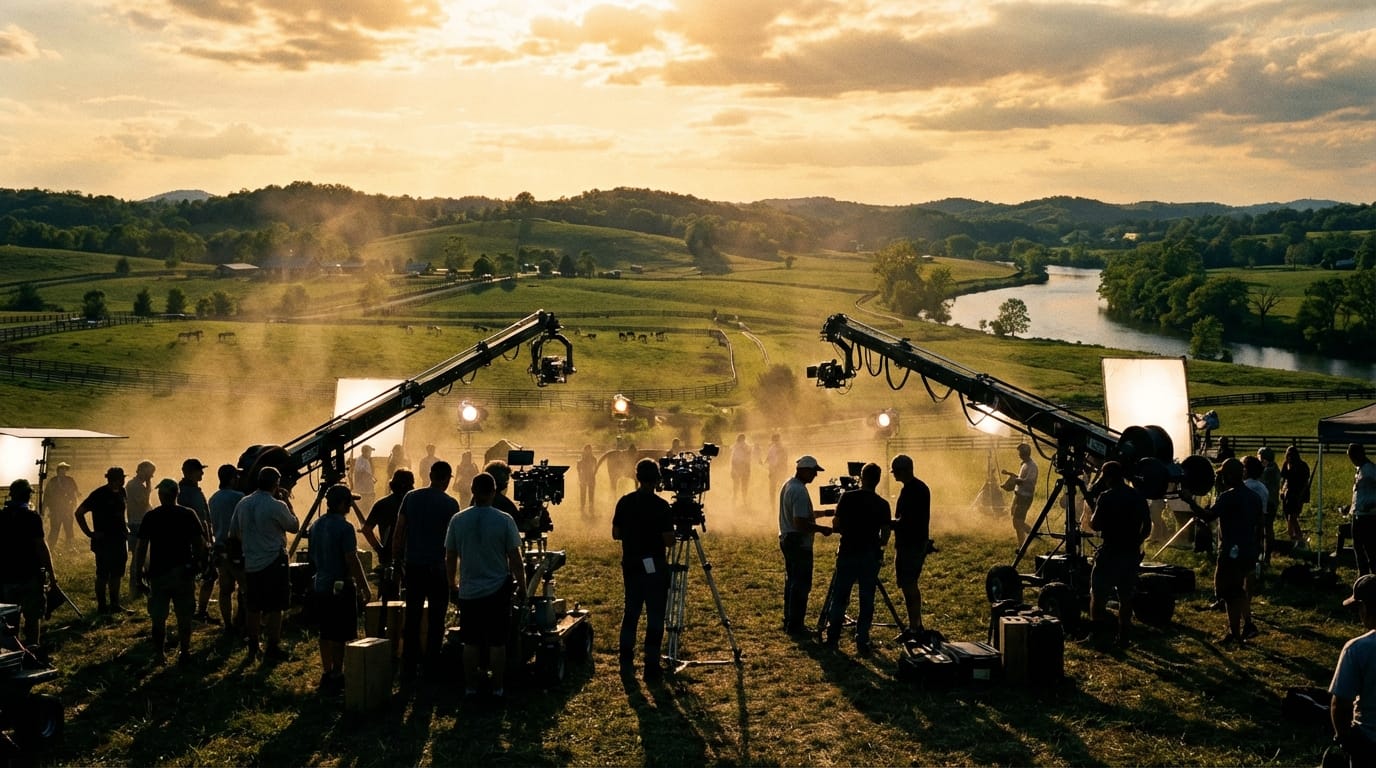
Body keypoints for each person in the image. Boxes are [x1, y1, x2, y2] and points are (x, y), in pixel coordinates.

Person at [446, 472, 525, 700]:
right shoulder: (504, 520)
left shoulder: (458, 520)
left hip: (469, 589)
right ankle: (497, 687)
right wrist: (521, 585)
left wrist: (452, 584)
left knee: (469, 641)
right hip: (498, 589)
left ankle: (471, 687)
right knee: (497, 642)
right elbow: (515, 558)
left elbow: (450, 556)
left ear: (472, 491)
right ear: (494, 492)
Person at [392, 460, 459, 679]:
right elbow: (452, 544)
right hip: (438, 566)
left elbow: (400, 530)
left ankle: (409, 662)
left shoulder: (411, 497)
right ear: (448, 479)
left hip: (414, 564)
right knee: (437, 618)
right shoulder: (450, 504)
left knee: (412, 614)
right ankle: (431, 662)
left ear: (430, 474)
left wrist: (397, 560)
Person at [1188, 458, 1262, 646]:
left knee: (1230, 593)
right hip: (1249, 549)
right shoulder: (1254, 497)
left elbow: (1208, 516)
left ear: (1229, 476)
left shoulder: (1227, 497)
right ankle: (1247, 626)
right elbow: (1259, 527)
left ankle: (1235, 635)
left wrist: (1190, 501)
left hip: (1231, 552)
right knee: (1241, 590)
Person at [612, 459, 674, 680]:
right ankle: (651, 665)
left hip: (631, 564)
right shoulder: (661, 506)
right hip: (654, 565)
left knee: (631, 614)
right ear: (657, 479)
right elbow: (669, 541)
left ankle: (626, 662)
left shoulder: (624, 502)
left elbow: (616, 534)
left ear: (637, 477)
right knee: (655, 616)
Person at [229, 466, 300, 661]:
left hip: (251, 561)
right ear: (276, 484)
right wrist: (286, 502)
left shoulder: (243, 503)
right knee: (276, 606)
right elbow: (294, 526)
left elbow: (233, 532)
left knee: (254, 606)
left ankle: (253, 645)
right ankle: (273, 647)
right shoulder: (276, 505)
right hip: (274, 560)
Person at [134, 478, 207, 665]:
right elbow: (199, 544)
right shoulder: (188, 514)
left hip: (158, 574)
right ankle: (184, 652)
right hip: (183, 572)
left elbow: (141, 547)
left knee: (158, 617)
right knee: (184, 616)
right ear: (177, 494)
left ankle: (159, 654)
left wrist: (138, 572)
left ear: (160, 495)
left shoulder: (151, 516)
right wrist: (199, 565)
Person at [309, 484, 373, 694]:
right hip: (340, 586)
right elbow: (351, 559)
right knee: (339, 633)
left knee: (325, 631)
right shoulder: (345, 528)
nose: (350, 506)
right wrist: (364, 587)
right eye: (349, 502)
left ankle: (327, 672)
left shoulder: (316, 525)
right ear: (342, 503)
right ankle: (338, 673)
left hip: (320, 584)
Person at [825, 463, 890, 656]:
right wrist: (878, 544)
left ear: (861, 477)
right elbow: (885, 534)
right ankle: (862, 639)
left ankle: (833, 636)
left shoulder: (847, 497)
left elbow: (836, 524)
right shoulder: (882, 504)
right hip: (869, 555)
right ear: (878, 480)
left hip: (847, 552)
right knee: (866, 599)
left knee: (840, 597)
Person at [1086, 461, 1152, 647]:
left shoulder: (1106, 497)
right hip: (1130, 553)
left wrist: (1092, 514)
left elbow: (1096, 525)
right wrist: (1136, 543)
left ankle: (1096, 636)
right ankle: (1123, 638)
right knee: (1125, 597)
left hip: (1110, 551)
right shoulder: (1137, 496)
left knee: (1098, 595)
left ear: (1107, 477)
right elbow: (1147, 527)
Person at [1, 479, 59, 647]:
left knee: (9, 619)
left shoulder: (1, 517)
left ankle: (12, 653)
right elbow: (41, 547)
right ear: (28, 496)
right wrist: (52, 577)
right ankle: (33, 651)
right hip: (30, 576)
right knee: (33, 618)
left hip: (6, 576)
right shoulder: (32, 517)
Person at [778, 455, 831, 635]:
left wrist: (825, 512)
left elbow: (803, 514)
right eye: (813, 472)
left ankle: (789, 620)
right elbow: (800, 522)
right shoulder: (799, 491)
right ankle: (796, 625)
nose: (815, 476)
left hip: (787, 539)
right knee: (801, 585)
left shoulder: (789, 485)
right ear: (804, 470)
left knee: (792, 582)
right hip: (799, 542)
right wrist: (821, 529)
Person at [1330, 574, 1376, 766]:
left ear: (1365, 608)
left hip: (1369, 743)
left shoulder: (1358, 649)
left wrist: (1343, 737)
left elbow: (1340, 704)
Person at [74, 466, 130, 614]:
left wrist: (125, 528)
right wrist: (89, 533)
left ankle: (115, 604)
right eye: (122, 478)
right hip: (104, 541)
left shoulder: (123, 492)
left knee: (117, 573)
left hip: (119, 539)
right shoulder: (98, 495)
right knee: (103, 574)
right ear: (116, 480)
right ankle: (102, 606)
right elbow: (79, 513)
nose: (124, 480)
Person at [889, 454, 931, 635]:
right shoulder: (917, 488)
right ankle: (915, 624)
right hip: (914, 541)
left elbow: (905, 521)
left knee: (909, 584)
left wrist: (885, 521)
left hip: (910, 543)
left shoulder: (912, 491)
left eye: (895, 472)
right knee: (909, 584)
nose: (894, 475)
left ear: (904, 471)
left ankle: (915, 626)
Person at [362, 469, 415, 604]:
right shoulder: (415, 503)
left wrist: (380, 549)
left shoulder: (382, 503)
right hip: (412, 555)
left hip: (388, 555)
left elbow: (367, 530)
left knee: (387, 596)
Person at [179, 458, 218, 625]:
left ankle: (193, 612)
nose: (202, 473)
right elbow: (198, 519)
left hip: (197, 539)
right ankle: (198, 612)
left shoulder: (188, 490)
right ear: (190, 472)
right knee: (208, 575)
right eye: (199, 470)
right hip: (196, 541)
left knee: (197, 576)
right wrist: (204, 539)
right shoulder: (189, 493)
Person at [206, 464, 244, 630]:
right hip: (236, 547)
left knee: (225, 589)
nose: (238, 479)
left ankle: (227, 624)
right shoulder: (240, 497)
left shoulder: (213, 498)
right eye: (236, 476)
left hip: (220, 547)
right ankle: (243, 621)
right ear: (231, 478)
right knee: (244, 587)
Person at [124, 460, 157, 592]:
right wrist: (149, 486)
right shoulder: (134, 485)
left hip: (139, 522)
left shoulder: (137, 485)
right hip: (137, 523)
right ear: (142, 470)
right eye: (150, 473)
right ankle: (135, 585)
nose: (152, 476)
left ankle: (140, 583)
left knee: (142, 555)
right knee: (138, 556)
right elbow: (142, 502)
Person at [1004, 443, 1039, 546]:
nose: (1019, 455)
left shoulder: (1032, 466)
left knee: (1018, 522)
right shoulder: (1024, 464)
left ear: (1024, 453)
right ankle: (1033, 535)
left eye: (1020, 452)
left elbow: (1029, 482)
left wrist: (1015, 481)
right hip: (1019, 495)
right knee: (1017, 521)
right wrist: (1010, 475)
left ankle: (1022, 546)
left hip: (1025, 497)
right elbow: (1021, 478)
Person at [1350, 444, 1376, 577]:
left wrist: (1373, 504)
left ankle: (1373, 574)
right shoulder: (1359, 470)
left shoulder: (1370, 469)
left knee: (1370, 547)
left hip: (1369, 515)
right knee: (1358, 546)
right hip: (1358, 513)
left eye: (1352, 457)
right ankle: (1363, 574)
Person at [42, 461, 80, 551]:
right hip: (56, 510)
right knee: (54, 530)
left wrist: (74, 503)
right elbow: (47, 496)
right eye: (62, 469)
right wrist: (44, 508)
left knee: (69, 529)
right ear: (58, 470)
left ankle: (70, 548)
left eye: (65, 469)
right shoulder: (53, 481)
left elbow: (75, 493)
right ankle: (50, 548)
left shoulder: (70, 480)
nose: (64, 471)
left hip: (67, 509)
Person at [1280, 445, 1311, 544]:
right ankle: (1292, 535)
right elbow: (1283, 479)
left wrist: (1300, 496)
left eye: (1291, 455)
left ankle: (1299, 536)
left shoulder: (1302, 466)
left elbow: (1305, 483)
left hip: (1298, 493)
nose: (1289, 457)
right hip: (1288, 492)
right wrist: (1282, 490)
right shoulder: (1286, 464)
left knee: (1293, 516)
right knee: (1287, 514)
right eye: (1288, 455)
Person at [1257, 447, 1281, 561]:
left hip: (1267, 502)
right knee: (1268, 528)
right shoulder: (1274, 468)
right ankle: (1266, 555)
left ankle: (1265, 554)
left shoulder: (1268, 471)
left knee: (1264, 529)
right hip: (1272, 502)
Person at [765, 433, 788, 508]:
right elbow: (768, 458)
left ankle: (780, 505)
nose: (776, 441)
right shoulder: (772, 448)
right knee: (774, 489)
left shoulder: (781, 448)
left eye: (776, 439)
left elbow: (783, 459)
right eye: (775, 440)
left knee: (778, 488)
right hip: (774, 471)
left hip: (779, 470)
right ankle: (774, 506)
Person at [352, 445, 377, 513]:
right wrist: (369, 477)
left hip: (367, 489)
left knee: (367, 507)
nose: (370, 454)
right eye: (369, 452)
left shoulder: (365, 460)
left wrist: (372, 479)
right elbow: (361, 472)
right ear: (365, 452)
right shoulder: (360, 460)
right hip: (363, 490)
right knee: (363, 508)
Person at [577, 444, 598, 520]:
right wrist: (580, 476)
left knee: (590, 493)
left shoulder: (592, 459)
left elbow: (595, 468)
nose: (588, 451)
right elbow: (578, 468)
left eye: (589, 450)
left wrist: (593, 474)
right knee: (583, 493)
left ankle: (590, 506)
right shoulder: (583, 459)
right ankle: (583, 506)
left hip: (589, 476)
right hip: (585, 477)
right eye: (587, 450)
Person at [731, 433, 752, 506]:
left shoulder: (737, 446)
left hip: (741, 466)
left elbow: (733, 459)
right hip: (742, 467)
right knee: (743, 485)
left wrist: (733, 469)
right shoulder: (742, 446)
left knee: (738, 485)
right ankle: (742, 500)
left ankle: (738, 499)